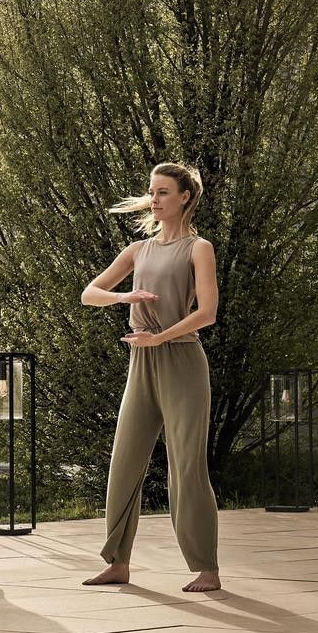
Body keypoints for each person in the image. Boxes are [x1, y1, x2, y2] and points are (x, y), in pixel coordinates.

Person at [81, 163, 221, 593]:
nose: (155, 199)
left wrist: (161, 337)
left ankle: (206, 568)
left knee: (186, 467)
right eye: (152, 192)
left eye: (164, 192)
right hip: (141, 363)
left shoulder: (199, 248)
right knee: (124, 463)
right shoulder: (138, 250)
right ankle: (118, 562)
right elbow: (90, 293)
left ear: (184, 197)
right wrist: (125, 295)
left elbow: (207, 313)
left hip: (181, 360)